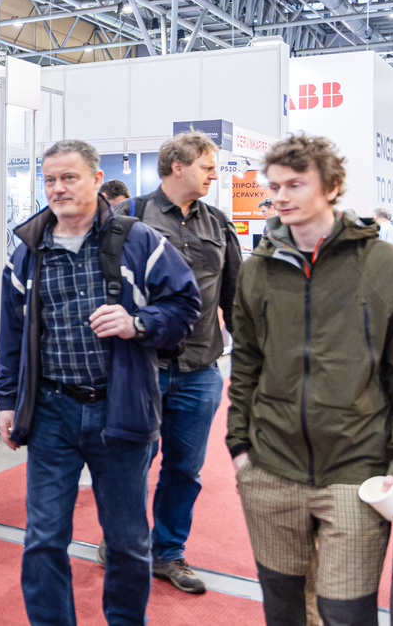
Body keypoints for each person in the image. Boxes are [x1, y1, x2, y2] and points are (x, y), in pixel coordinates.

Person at [0, 139, 201, 626]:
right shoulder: (27, 251)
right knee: (43, 538)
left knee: (128, 541)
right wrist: (6, 399)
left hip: (119, 410)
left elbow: (185, 305)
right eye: (50, 180)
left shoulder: (138, 241)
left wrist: (138, 323)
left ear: (95, 179)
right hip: (51, 412)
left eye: (69, 177)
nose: (58, 188)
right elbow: (12, 333)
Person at [229, 133, 393, 625]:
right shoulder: (257, 270)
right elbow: (246, 363)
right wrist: (240, 448)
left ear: (332, 187)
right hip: (270, 468)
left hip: (357, 469)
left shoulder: (392, 266)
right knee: (283, 607)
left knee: (346, 612)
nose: (280, 196)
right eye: (274, 186)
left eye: (295, 184)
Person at [109, 132, 241, 594]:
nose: (214, 175)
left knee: (185, 469)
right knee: (130, 464)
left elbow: (234, 296)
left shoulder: (219, 223)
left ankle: (168, 553)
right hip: (139, 367)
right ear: (178, 166)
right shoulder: (129, 215)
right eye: (207, 166)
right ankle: (122, 542)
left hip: (200, 368)